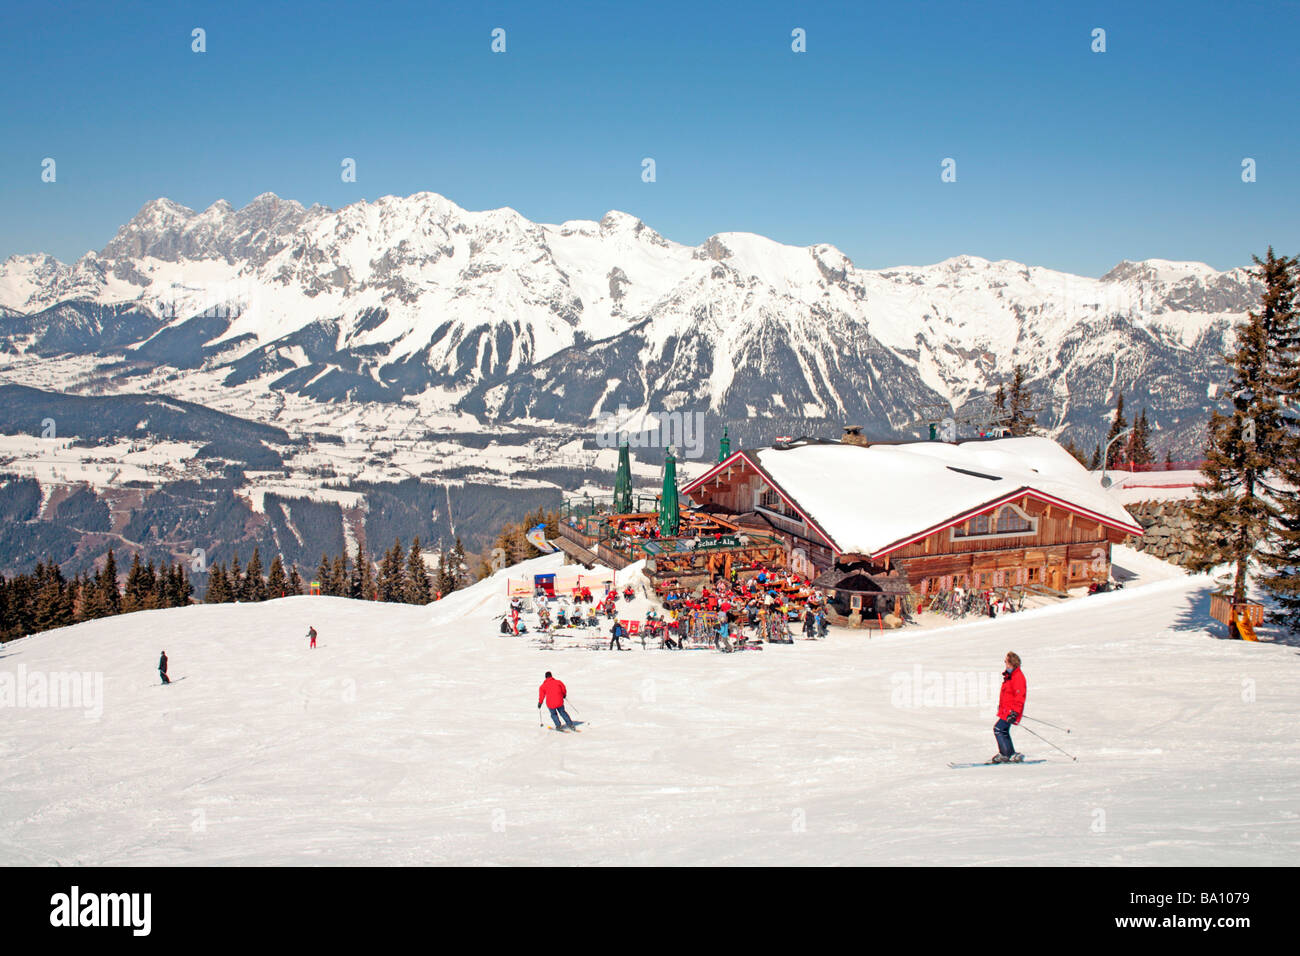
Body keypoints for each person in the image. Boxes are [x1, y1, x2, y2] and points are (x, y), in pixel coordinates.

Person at [993, 652, 1027, 763]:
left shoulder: (1017, 677)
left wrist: (1015, 712)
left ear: (1012, 663)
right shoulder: (1011, 676)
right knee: (1003, 730)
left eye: (1006, 662)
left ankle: (1006, 754)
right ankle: (1009, 753)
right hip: (1006, 710)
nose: (1005, 664)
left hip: (1011, 711)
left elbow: (1019, 696)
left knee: (998, 729)